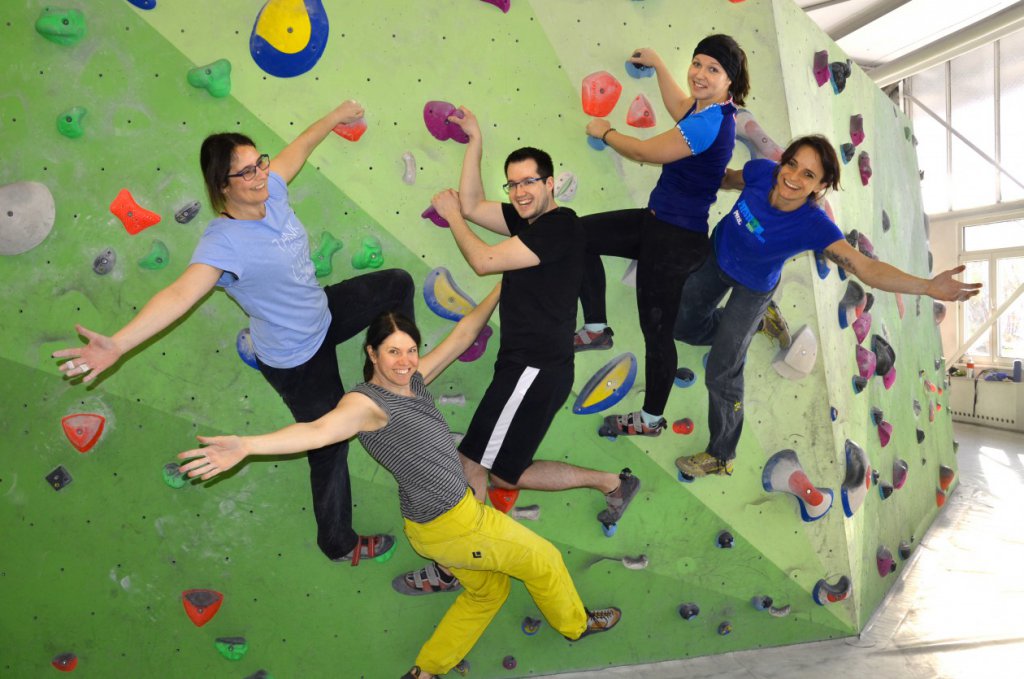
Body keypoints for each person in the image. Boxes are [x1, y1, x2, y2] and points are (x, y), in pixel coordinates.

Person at [176, 290, 622, 679]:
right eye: (393, 352)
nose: (405, 361)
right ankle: (575, 626)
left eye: (410, 350)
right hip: (454, 524)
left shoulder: (413, 382)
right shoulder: (365, 403)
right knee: (542, 558)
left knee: (489, 591)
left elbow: (463, 335)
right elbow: (317, 432)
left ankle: (425, 671)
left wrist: (503, 286)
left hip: (436, 527)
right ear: (372, 354)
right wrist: (246, 445)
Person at [52, 100, 416, 563]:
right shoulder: (222, 244)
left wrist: (335, 116)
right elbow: (181, 295)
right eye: (245, 173)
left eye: (258, 162)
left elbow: (298, 148)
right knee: (330, 440)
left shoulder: (271, 191)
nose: (259, 174)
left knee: (397, 284)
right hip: (295, 357)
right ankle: (338, 543)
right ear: (221, 188)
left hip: (320, 311)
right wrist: (119, 343)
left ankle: (382, 380)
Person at [392, 107, 640, 595]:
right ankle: (613, 482)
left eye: (530, 182)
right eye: (513, 184)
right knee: (508, 473)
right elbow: (469, 204)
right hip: (532, 368)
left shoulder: (560, 225)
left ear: (550, 183)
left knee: (471, 466)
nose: (521, 191)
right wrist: (474, 140)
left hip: (532, 368)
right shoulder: (529, 224)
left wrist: (448, 218)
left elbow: (483, 260)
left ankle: (460, 566)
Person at [673, 135, 982, 479]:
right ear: (782, 162)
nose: (793, 177)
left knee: (722, 366)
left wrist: (926, 286)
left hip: (754, 287)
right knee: (682, 326)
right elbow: (728, 178)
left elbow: (866, 268)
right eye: (791, 164)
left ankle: (721, 454)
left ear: (820, 186)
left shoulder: (814, 225)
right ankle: (758, 324)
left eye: (808, 175)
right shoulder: (761, 172)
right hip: (718, 255)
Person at [576, 35, 751, 439]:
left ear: (730, 81)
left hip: (675, 240)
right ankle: (597, 327)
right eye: (697, 63)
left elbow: (643, 152)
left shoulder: (710, 121)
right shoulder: (709, 109)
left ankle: (651, 418)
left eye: (713, 69)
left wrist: (605, 132)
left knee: (657, 333)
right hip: (656, 224)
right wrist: (658, 64)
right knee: (579, 234)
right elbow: (679, 106)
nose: (700, 74)